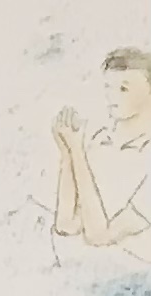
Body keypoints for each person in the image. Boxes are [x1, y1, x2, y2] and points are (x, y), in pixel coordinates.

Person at [53, 47, 151, 259]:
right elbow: (66, 225)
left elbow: (99, 235)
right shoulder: (100, 143)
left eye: (123, 89)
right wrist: (67, 154)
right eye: (108, 87)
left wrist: (77, 151)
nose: (111, 97)